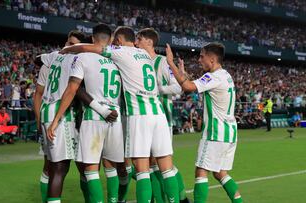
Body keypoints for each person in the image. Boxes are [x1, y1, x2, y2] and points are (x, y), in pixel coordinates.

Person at [54, 26, 179, 203]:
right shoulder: (144, 55)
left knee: (142, 171)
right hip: (158, 115)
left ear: (118, 41)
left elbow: (89, 48)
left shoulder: (122, 52)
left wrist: (68, 48)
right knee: (166, 169)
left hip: (139, 116)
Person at [48, 23, 123, 203]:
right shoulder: (119, 58)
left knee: (90, 169)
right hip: (116, 117)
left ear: (92, 38)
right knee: (111, 166)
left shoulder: (83, 57)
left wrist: (56, 119)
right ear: (111, 39)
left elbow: (72, 88)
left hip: (93, 118)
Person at [166, 42, 243, 203]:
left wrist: (170, 63)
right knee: (220, 173)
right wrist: (182, 72)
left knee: (201, 172)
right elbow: (195, 82)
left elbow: (187, 86)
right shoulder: (225, 75)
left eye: (202, 56)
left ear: (212, 59)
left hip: (215, 133)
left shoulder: (213, 77)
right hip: (230, 133)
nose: (199, 60)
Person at [33, 30, 89, 203]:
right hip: (60, 116)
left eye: (72, 44)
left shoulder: (52, 57)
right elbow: (38, 93)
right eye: (68, 42)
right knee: (59, 167)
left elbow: (37, 58)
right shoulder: (78, 61)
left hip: (53, 115)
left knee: (67, 166)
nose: (68, 46)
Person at [135, 28, 190, 203]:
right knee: (151, 165)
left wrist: (154, 89)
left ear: (149, 42)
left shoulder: (161, 62)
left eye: (139, 39)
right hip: (144, 118)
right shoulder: (137, 62)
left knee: (161, 165)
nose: (136, 43)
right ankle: (176, 198)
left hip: (162, 119)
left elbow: (177, 88)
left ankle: (179, 198)